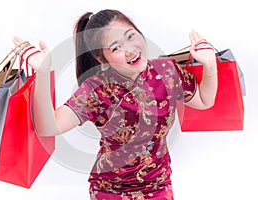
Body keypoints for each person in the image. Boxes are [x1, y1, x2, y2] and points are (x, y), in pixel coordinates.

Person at [13, 9, 217, 200]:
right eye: (116, 48)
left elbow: (205, 101)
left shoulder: (167, 72)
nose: (129, 50)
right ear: (102, 58)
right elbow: (50, 126)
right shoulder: (97, 89)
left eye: (130, 36)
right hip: (110, 190)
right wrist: (42, 72)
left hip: (158, 186)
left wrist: (209, 65)